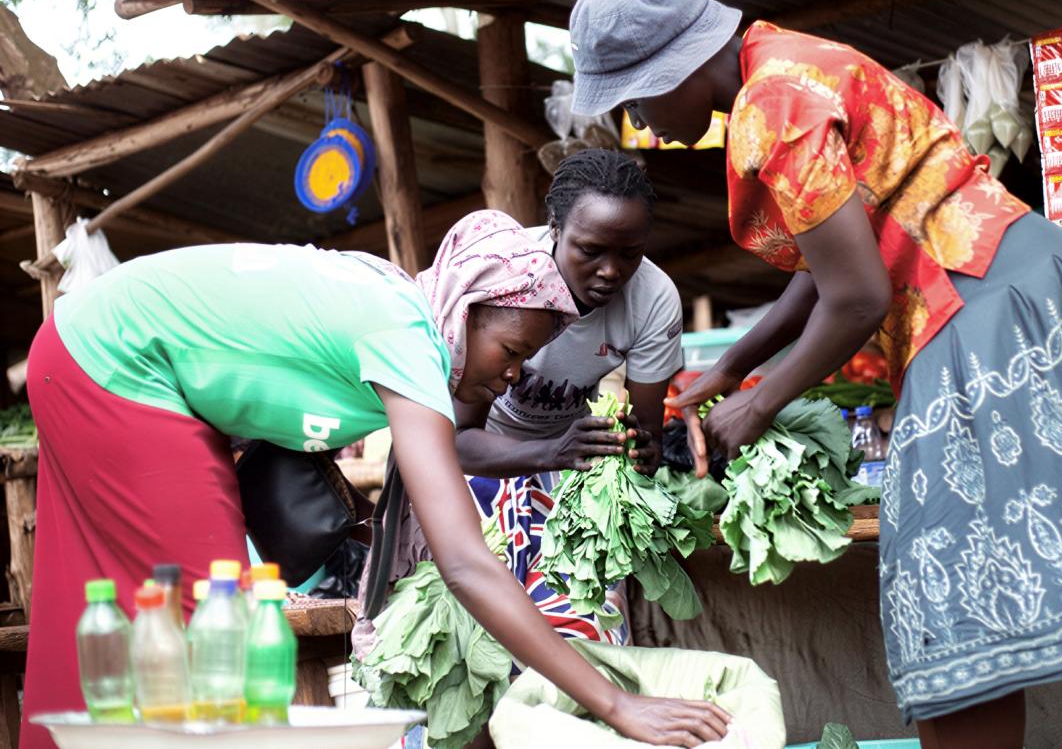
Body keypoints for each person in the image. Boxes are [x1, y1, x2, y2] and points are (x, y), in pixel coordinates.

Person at [566, 0, 1062, 749]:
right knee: (971, 601)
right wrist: (733, 367)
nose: (643, 121)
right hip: (1016, 282)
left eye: (636, 97)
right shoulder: (781, 62)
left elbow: (857, 296)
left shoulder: (774, 105)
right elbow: (828, 265)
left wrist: (759, 404)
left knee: (949, 600)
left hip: (978, 297)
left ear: (676, 66)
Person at [21, 210, 728, 749]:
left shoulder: (402, 301)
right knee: (216, 619)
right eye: (511, 349)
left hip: (85, 343)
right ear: (469, 306)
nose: (513, 375)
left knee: (91, 607)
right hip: (118, 364)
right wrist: (616, 702)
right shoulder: (409, 339)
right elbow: (464, 562)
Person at [358, 149, 684, 648]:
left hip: (569, 473)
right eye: (591, 250)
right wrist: (550, 452)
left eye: (630, 254)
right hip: (473, 470)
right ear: (555, 227)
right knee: (471, 637)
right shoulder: (507, 280)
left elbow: (647, 439)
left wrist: (634, 450)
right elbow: (456, 442)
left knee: (580, 629)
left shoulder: (653, 299)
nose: (611, 271)